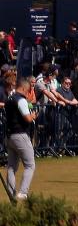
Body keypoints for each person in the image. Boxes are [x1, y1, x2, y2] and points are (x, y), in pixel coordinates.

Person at [3, 69, 35, 202]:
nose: (28, 93)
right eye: (28, 90)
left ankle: (11, 193)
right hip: (20, 135)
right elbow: (27, 118)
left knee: (11, 167)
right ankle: (23, 192)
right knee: (30, 165)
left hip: (9, 136)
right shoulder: (20, 100)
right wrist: (33, 116)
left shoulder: (9, 99)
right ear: (23, 88)